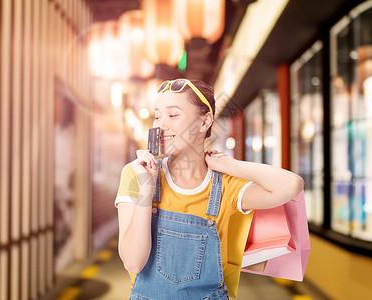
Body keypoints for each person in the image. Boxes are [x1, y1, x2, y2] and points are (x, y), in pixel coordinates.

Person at [115, 79, 304, 300]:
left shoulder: (226, 185)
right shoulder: (136, 174)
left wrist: (229, 165)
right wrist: (147, 187)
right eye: (157, 116)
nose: (161, 125)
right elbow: (133, 262)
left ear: (205, 122)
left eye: (173, 115)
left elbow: (292, 185)